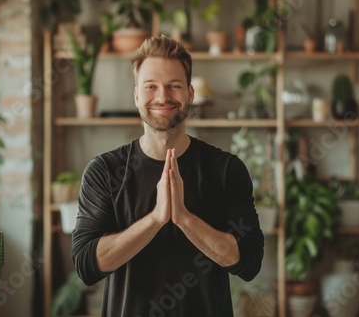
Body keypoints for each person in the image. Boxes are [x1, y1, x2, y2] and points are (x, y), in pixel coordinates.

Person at [72, 35, 264, 317]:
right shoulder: (104, 172)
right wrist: (156, 219)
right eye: (151, 87)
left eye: (174, 86)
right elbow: (86, 266)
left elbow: (248, 263)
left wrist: (184, 218)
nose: (163, 97)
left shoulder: (225, 169)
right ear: (137, 95)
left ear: (190, 94)